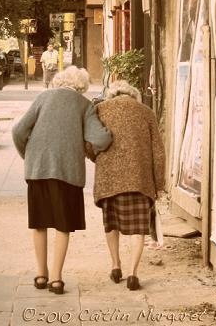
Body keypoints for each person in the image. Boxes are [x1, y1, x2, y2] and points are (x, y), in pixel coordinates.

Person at [12, 66, 112, 295]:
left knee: (39, 222)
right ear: (82, 86)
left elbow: (18, 131)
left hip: (38, 169)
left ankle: (40, 274)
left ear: (59, 81)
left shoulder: (43, 97)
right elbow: (100, 139)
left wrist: (29, 156)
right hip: (67, 171)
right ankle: (56, 279)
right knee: (62, 225)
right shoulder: (84, 105)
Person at [87, 80, 166, 291]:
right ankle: (133, 273)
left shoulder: (99, 109)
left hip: (108, 178)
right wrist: (159, 183)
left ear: (112, 95)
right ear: (134, 96)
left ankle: (115, 265)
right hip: (139, 179)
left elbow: (88, 142)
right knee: (138, 229)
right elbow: (158, 151)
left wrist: (98, 159)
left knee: (111, 224)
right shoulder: (146, 112)